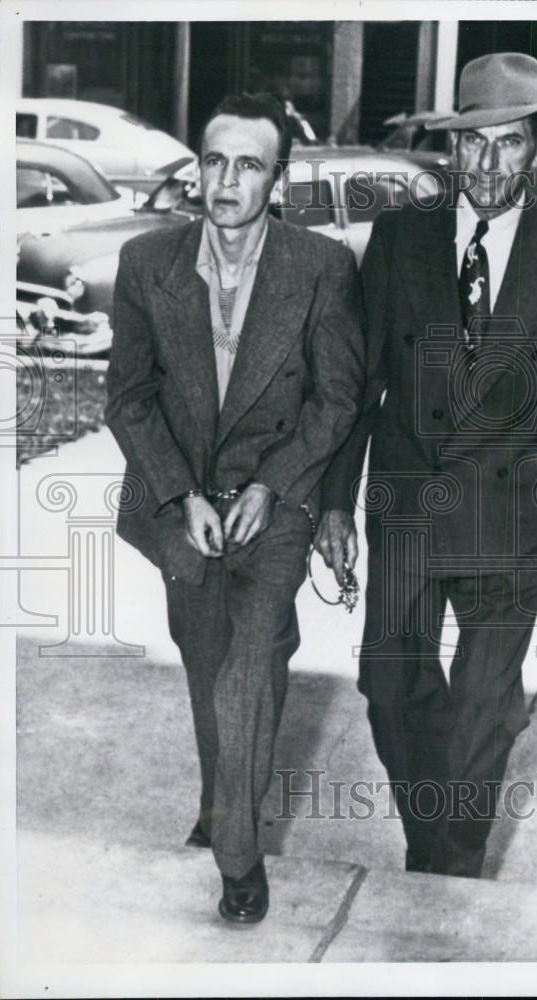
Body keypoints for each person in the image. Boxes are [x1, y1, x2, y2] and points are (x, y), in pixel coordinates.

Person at [316, 53, 537, 879]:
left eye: (509, 145)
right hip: (409, 501)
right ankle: (439, 840)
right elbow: (361, 386)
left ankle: (445, 866)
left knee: (483, 710)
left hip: (514, 512)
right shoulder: (397, 239)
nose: (488, 167)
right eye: (473, 145)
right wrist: (332, 506)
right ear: (448, 151)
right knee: (390, 690)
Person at [106, 93, 364, 922]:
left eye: (248, 164)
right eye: (213, 160)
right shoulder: (149, 262)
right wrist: (181, 494)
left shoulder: (319, 267)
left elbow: (336, 399)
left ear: (276, 178)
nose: (226, 180)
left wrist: (270, 485)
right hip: (179, 502)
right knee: (205, 657)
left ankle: (238, 861)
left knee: (250, 661)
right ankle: (228, 801)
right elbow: (129, 399)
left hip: (274, 501)